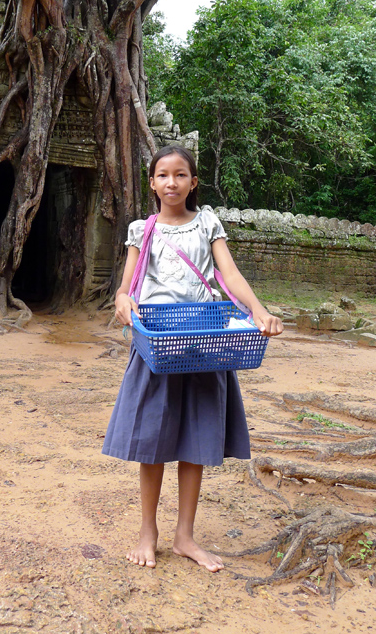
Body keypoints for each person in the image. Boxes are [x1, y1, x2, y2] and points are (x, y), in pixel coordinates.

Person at [102, 144, 283, 572]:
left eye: (180, 174)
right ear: (152, 182)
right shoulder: (140, 230)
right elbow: (125, 288)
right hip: (157, 345)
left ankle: (185, 535)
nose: (171, 182)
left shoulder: (207, 223)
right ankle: (148, 531)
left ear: (193, 182)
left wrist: (258, 311)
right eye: (163, 175)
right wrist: (123, 302)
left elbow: (230, 273)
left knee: (194, 441)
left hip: (205, 342)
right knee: (152, 442)